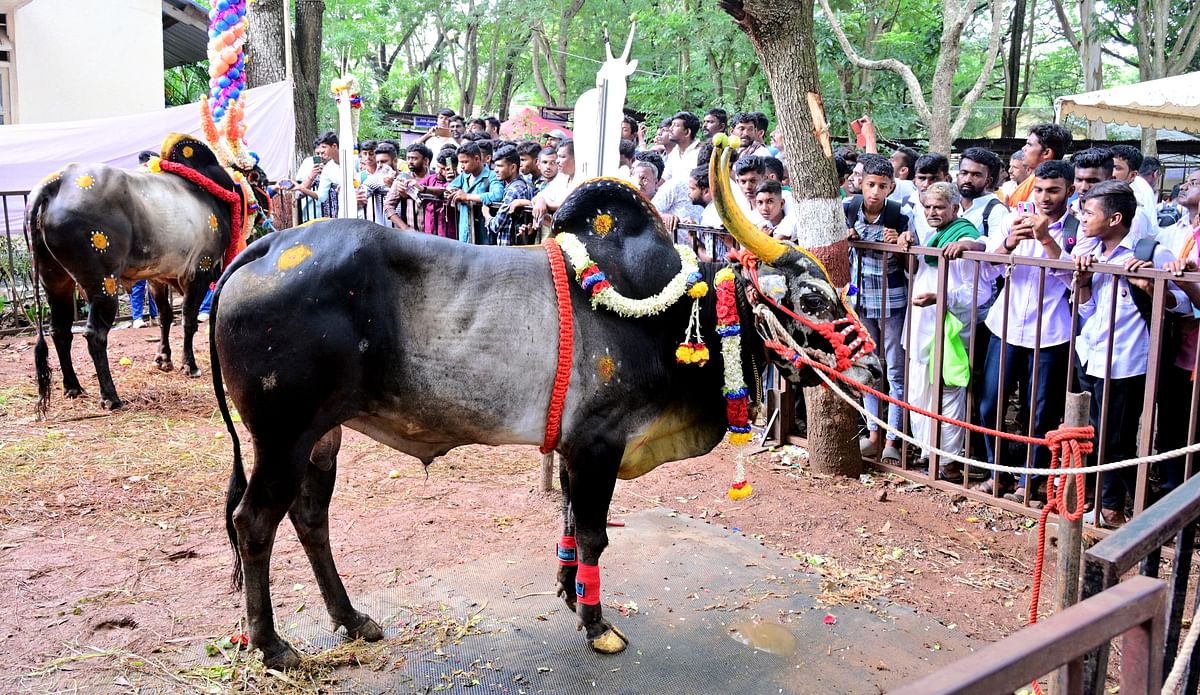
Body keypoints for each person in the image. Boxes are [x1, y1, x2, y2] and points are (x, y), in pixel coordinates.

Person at [1066, 180, 1189, 526]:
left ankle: (1117, 509)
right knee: (1093, 433)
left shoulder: (1151, 252)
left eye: (1090, 212)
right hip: (1091, 353)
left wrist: (1151, 286)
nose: (1083, 217)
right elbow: (1086, 311)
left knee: (1116, 439)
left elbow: (1181, 304)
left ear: (1115, 218)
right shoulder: (1092, 251)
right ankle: (1100, 501)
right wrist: (1085, 281)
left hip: (1126, 360)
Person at [974, 160, 1076, 503]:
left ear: (1069, 192)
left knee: (1041, 412)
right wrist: (1008, 245)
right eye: (1040, 190)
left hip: (1051, 331)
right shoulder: (1012, 220)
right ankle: (996, 473)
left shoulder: (1078, 229)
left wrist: (1046, 239)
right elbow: (987, 273)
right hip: (1005, 324)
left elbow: (1076, 282)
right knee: (990, 405)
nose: (1045, 197)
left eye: (1054, 190)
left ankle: (1029, 483)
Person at [896, 182, 986, 478]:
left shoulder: (964, 238)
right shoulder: (933, 237)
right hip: (922, 322)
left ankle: (946, 460)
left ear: (955, 208)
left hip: (950, 328)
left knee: (948, 392)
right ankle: (926, 452)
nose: (933, 212)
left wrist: (941, 299)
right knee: (918, 389)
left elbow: (976, 291)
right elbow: (918, 272)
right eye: (928, 207)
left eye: (939, 207)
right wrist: (906, 245)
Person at [845, 154, 912, 463]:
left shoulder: (900, 215)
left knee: (895, 370)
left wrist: (900, 244)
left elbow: (913, 262)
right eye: (870, 184)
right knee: (871, 369)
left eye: (881, 186)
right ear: (861, 183)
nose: (874, 192)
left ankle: (893, 439)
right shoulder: (849, 209)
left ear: (891, 187)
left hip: (893, 299)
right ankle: (873, 434)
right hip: (860, 300)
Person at [446, 141, 504, 244]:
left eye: (465, 162)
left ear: (477, 159)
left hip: (483, 231)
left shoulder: (492, 176)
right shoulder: (465, 176)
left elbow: (497, 195)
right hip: (465, 228)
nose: (462, 166)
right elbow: (451, 186)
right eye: (461, 162)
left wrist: (467, 196)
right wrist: (451, 191)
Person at [1006, 123, 1073, 207]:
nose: (1024, 148)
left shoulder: (1050, 188)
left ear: (1047, 153)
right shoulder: (1030, 181)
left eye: (1029, 144)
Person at [486, 144, 534, 246]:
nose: (495, 170)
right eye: (495, 166)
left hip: (509, 248)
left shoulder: (514, 190)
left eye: (500, 166)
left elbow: (496, 225)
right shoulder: (521, 184)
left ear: (512, 168)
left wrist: (486, 215)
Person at [384, 143, 432, 231]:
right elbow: (388, 207)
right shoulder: (402, 178)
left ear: (425, 160)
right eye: (408, 158)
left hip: (435, 234)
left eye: (415, 158)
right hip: (412, 234)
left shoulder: (435, 178)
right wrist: (405, 228)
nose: (410, 161)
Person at [1110, 145, 1158, 213]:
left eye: (1117, 168)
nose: (1111, 172)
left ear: (1132, 175)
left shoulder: (1137, 209)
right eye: (1108, 166)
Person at [664, 111, 701, 182]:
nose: (670, 129)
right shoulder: (674, 152)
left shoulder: (700, 152)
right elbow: (665, 178)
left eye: (676, 125)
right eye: (672, 125)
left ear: (687, 132)